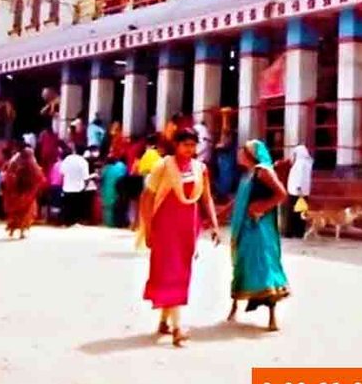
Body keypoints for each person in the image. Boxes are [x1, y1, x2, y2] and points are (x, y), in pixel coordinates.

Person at [140, 130, 220, 346]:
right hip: (165, 227)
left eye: (193, 145)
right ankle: (177, 328)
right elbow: (146, 198)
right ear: (175, 145)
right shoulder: (163, 167)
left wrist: (214, 224)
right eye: (185, 145)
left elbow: (206, 198)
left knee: (181, 272)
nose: (189, 149)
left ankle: (165, 321)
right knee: (171, 271)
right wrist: (148, 229)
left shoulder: (200, 168)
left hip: (188, 227)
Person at [227, 139, 289, 330]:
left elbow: (281, 194)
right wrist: (216, 216)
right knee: (243, 265)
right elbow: (239, 201)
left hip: (260, 230)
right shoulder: (247, 175)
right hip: (246, 229)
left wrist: (261, 208)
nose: (238, 153)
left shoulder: (263, 171)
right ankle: (235, 306)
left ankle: (272, 317)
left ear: (249, 154)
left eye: (242, 150)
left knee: (264, 267)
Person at [1, 144, 45, 238]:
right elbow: (40, 178)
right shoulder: (33, 165)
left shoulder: (14, 164)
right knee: (26, 213)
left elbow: (8, 178)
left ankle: (12, 231)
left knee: (15, 213)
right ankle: (22, 231)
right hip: (28, 195)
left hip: (15, 194)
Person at [283, 142, 313, 240]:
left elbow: (299, 178)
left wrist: (299, 189)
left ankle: (290, 232)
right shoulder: (306, 163)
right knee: (300, 212)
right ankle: (299, 232)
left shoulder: (300, 163)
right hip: (302, 192)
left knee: (293, 213)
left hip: (297, 192)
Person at [59, 145, 90, 226]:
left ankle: (66, 222)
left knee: (67, 206)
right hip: (78, 188)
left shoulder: (67, 159)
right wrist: (85, 186)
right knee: (77, 207)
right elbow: (85, 177)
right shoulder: (84, 162)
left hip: (67, 187)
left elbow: (61, 172)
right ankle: (76, 222)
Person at [99, 155, 127, 228]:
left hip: (106, 189)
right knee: (115, 206)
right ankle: (115, 223)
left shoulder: (105, 169)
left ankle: (108, 223)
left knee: (107, 207)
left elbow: (101, 179)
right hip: (117, 190)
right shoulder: (120, 167)